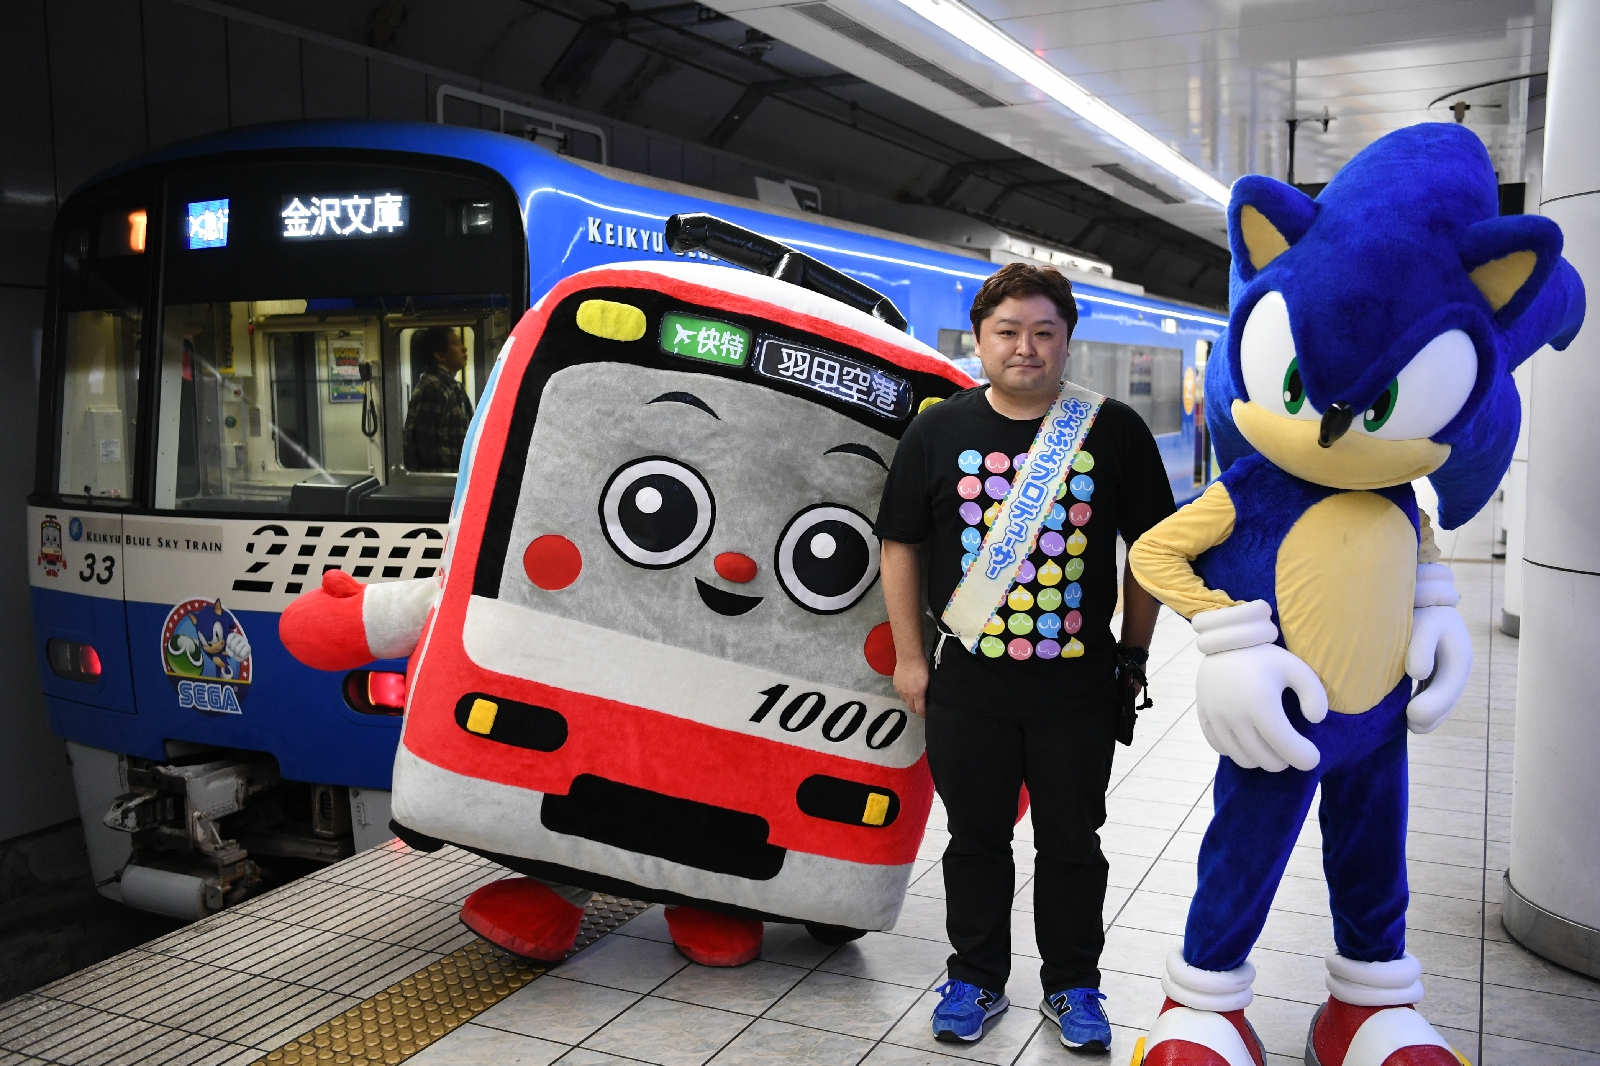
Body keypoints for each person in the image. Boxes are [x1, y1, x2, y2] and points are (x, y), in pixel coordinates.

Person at [874, 262, 1175, 1052]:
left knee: (1073, 843)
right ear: (979, 340)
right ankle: (974, 978)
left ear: (1067, 341)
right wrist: (910, 658)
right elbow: (900, 544)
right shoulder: (937, 433)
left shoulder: (1112, 430)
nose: (1026, 347)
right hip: (967, 684)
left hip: (1077, 688)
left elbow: (1151, 550)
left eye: (1044, 332)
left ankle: (1073, 986)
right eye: (1008, 332)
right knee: (975, 839)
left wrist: (1135, 653)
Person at [403, 326, 473, 471]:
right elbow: (422, 448)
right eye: (456, 344)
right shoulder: (434, 390)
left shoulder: (451, 387)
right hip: (442, 479)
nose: (464, 349)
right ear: (440, 355)